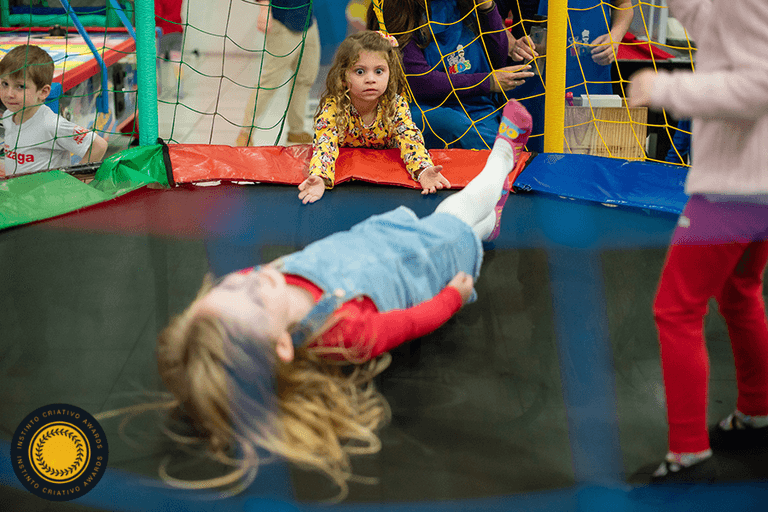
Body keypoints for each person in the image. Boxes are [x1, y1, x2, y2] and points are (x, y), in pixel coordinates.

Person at [156, 99, 532, 497]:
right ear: (283, 343)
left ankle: (491, 223)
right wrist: (453, 298)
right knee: (458, 211)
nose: (255, 277)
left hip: (385, 240)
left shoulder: (264, 288)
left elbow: (248, 288)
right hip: (426, 266)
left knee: (468, 225)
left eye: (228, 285)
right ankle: (503, 158)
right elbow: (408, 323)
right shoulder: (340, 334)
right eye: (252, 296)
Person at [627, 0, 768, 482]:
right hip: (754, 180)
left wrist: (662, 87)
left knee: (676, 308)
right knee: (739, 291)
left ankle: (687, 450)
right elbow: (713, 21)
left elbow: (759, 84)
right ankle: (757, 412)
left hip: (739, 185)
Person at [297, 30, 450, 204]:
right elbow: (325, 143)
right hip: (350, 183)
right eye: (360, 72)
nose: (371, 79)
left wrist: (423, 170)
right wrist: (319, 177)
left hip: (385, 178)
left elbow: (410, 139)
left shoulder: (395, 104)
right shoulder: (335, 106)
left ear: (389, 73)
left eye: (379, 71)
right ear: (344, 76)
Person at [367, 0, 535, 150]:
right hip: (418, 108)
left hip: (476, 106)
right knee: (452, 123)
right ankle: (504, 156)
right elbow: (421, 83)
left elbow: (497, 60)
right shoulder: (394, 9)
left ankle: (504, 157)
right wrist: (488, 82)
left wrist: (487, 7)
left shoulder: (467, 5)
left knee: (483, 128)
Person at [0, 45, 108, 177]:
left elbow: (98, 145)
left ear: (43, 92)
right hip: (19, 192)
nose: (9, 94)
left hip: (47, 195)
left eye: (20, 86)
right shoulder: (8, 115)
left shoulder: (50, 124)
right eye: (5, 84)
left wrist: (76, 180)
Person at [235, 0, 321, 147]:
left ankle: (296, 131)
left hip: (308, 22)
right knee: (269, 82)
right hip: (282, 22)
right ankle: (246, 132)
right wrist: (264, 10)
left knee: (304, 80)